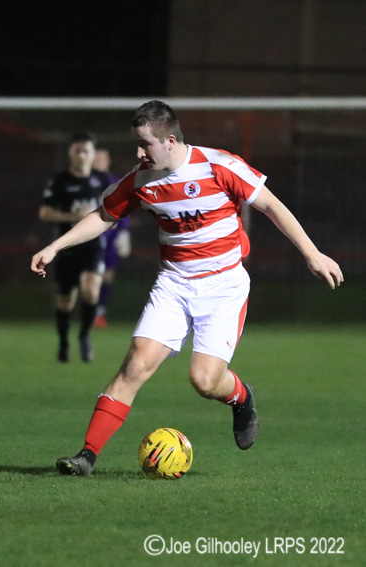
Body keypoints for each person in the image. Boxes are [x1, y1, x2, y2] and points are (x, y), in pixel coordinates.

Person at [31, 100, 343, 476]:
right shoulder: (140, 179)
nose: (139, 152)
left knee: (204, 380)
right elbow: (103, 216)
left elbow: (273, 207)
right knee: (135, 364)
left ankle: (242, 397)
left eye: (145, 144)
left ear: (171, 139)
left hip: (224, 286)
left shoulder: (219, 165)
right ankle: (87, 456)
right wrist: (54, 246)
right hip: (174, 284)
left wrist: (313, 254)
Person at [39, 132, 110, 362]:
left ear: (92, 155)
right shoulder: (60, 181)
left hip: (93, 245)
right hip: (67, 246)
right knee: (66, 299)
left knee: (91, 291)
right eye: (77, 151)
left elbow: (114, 209)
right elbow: (45, 212)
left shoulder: (102, 180)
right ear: (71, 153)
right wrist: (73, 215)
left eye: (85, 151)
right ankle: (63, 342)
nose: (81, 155)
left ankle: (84, 335)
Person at [90, 149, 131, 328]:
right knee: (91, 276)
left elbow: (124, 207)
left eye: (104, 158)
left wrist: (124, 231)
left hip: (112, 236)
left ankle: (99, 314)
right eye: (97, 158)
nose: (101, 161)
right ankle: (88, 312)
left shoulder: (116, 181)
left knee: (107, 276)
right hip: (91, 236)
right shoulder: (84, 181)